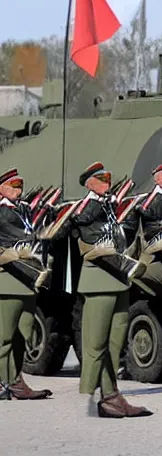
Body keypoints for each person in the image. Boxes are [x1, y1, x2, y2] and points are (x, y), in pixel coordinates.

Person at [53, 162, 152, 418]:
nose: (107, 182)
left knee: (115, 342)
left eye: (108, 177)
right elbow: (60, 230)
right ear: (89, 183)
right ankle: (96, 393)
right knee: (96, 341)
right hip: (98, 280)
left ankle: (112, 395)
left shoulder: (109, 206)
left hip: (119, 277)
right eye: (102, 178)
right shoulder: (87, 207)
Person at [0, 168, 52, 400]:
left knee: (24, 331)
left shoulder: (24, 210)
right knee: (4, 336)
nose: (17, 190)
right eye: (13, 186)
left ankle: (16, 380)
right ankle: (3, 382)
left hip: (29, 277)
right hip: (9, 278)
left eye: (20, 186)